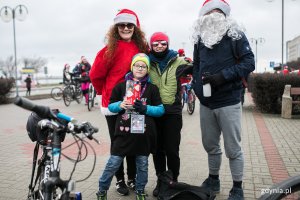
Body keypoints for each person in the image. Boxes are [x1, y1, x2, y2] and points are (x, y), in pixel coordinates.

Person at [192, 0, 255, 199]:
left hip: (229, 100)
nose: (215, 15)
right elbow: (196, 65)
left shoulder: (235, 35)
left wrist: (223, 76)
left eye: (219, 11)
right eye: (210, 11)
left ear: (225, 14)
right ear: (204, 15)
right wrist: (196, 87)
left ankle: (237, 187)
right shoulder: (200, 39)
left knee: (233, 148)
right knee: (210, 145)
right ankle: (213, 179)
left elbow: (249, 62)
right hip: (206, 102)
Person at [90, 9, 148, 196]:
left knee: (134, 140)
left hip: (135, 103)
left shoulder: (141, 47)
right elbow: (95, 75)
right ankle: (120, 180)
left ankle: (132, 177)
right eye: (121, 25)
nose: (125, 28)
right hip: (114, 104)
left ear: (135, 27)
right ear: (116, 28)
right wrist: (103, 94)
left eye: (129, 25)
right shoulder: (108, 50)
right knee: (119, 144)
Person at [96, 53, 164, 200]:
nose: (140, 68)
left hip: (143, 135)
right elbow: (111, 106)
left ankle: (140, 190)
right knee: (113, 163)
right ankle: (102, 190)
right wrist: (120, 105)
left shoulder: (152, 88)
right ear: (132, 67)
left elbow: (160, 110)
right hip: (123, 133)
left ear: (147, 69)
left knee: (143, 165)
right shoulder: (121, 87)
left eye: (143, 66)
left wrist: (145, 108)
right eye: (137, 65)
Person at [148, 32, 193, 197]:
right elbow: (134, 72)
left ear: (167, 44)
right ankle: (161, 182)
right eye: (156, 44)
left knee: (172, 150)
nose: (159, 46)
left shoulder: (178, 61)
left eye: (163, 43)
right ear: (151, 46)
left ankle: (172, 182)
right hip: (153, 112)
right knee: (157, 150)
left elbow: (195, 68)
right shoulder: (147, 62)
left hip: (172, 112)